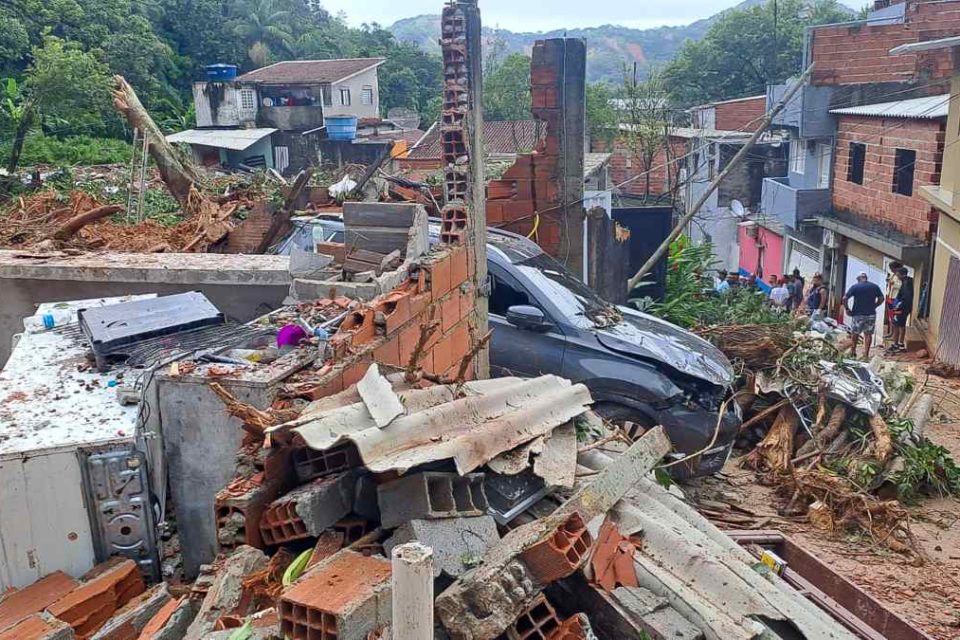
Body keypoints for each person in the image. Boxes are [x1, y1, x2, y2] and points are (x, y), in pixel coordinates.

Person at [841, 272, 885, 359]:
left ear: (859, 278)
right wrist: (875, 305)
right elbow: (881, 298)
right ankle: (866, 354)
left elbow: (845, 298)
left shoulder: (855, 287)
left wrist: (847, 309)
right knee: (868, 334)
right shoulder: (874, 286)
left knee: (855, 333)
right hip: (871, 314)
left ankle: (853, 351)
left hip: (858, 314)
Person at [888, 267, 914, 353]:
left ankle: (899, 345)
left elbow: (906, 297)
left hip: (902, 308)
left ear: (901, 274)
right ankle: (897, 344)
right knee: (898, 324)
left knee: (898, 325)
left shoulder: (906, 283)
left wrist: (898, 306)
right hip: (903, 307)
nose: (896, 275)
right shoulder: (906, 281)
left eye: (897, 273)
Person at [885, 261, 903, 338]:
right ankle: (891, 333)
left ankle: (895, 336)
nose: (891, 270)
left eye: (892, 268)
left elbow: (901, 286)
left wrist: (893, 284)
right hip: (890, 297)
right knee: (891, 316)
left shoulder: (900, 276)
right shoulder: (893, 275)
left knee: (895, 317)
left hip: (895, 298)